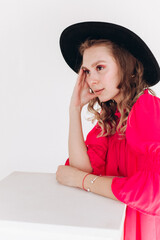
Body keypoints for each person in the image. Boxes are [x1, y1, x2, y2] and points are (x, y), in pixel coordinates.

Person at [56, 22, 160, 240]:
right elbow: (81, 169)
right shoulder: (112, 120)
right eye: (86, 71)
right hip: (116, 227)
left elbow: (155, 191)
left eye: (100, 67)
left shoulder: (148, 109)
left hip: (145, 229)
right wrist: (74, 109)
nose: (92, 80)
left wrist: (82, 181)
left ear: (127, 67)